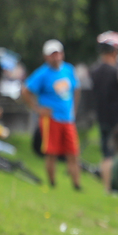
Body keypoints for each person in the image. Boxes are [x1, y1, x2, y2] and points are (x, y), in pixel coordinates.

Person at [21, 39, 82, 190]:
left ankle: (76, 185)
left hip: (67, 119)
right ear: (46, 57)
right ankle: (52, 184)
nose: (56, 57)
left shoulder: (68, 69)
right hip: (51, 118)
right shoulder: (42, 74)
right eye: (52, 54)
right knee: (51, 152)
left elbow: (77, 88)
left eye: (58, 53)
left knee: (73, 152)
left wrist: (74, 109)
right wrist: (36, 108)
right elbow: (25, 91)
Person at [89, 31, 118, 191]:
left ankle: (107, 186)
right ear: (115, 51)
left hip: (101, 116)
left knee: (106, 153)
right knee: (113, 154)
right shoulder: (117, 71)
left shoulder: (94, 70)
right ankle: (111, 187)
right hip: (116, 118)